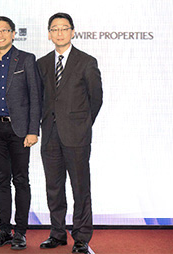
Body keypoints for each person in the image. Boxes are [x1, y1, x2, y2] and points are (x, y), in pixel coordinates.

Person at [37, 13, 102, 254]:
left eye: (64, 28)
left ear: (73, 32)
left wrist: (82, 124)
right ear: (49, 34)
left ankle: (82, 237)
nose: (60, 32)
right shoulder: (42, 63)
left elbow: (96, 99)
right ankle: (57, 233)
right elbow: (39, 99)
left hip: (77, 136)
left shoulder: (86, 61)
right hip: (50, 135)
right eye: (55, 28)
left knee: (80, 188)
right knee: (54, 188)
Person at [0, 16, 41, 251]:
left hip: (20, 130)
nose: (0, 35)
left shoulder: (26, 59)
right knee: (1, 181)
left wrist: (33, 130)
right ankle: (4, 229)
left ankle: (21, 232)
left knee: (21, 180)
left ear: (13, 33)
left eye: (4, 30)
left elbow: (35, 97)